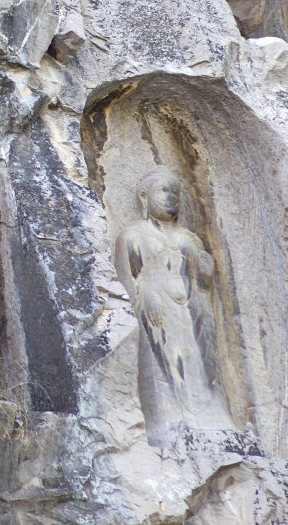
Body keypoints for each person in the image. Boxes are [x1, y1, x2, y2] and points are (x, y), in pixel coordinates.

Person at [114, 171, 234, 441]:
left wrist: (205, 278)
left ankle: (211, 419)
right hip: (156, 314)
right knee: (164, 362)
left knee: (198, 364)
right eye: (163, 190)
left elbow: (200, 289)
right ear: (144, 196)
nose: (171, 197)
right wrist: (147, 298)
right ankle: (170, 419)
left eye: (175, 192)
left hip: (188, 314)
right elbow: (127, 283)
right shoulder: (131, 236)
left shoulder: (189, 239)